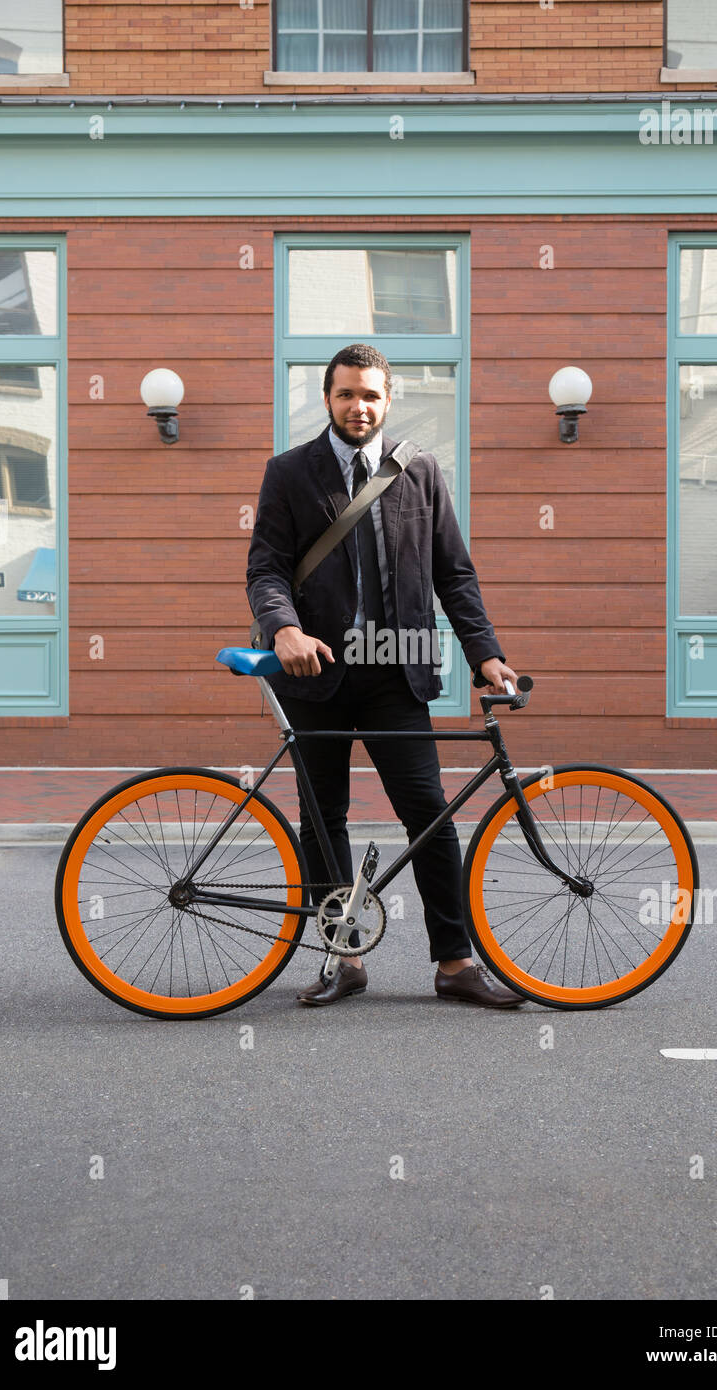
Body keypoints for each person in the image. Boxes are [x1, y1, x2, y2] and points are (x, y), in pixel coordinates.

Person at [246, 342, 524, 1008]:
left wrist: (483, 651)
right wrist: (284, 628)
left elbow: (453, 573)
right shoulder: (289, 473)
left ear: (388, 398)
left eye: (370, 394)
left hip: (395, 671)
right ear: (327, 399)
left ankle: (454, 963)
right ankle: (342, 960)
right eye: (346, 394)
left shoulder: (421, 470)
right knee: (323, 820)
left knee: (429, 814)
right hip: (315, 671)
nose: (358, 405)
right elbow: (266, 567)